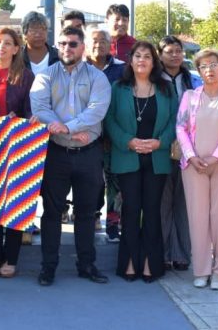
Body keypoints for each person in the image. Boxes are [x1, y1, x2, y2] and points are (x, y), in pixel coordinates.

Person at [30, 26, 111, 286]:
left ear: (82, 47)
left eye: (73, 44)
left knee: (86, 213)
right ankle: (48, 267)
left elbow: (97, 110)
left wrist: (68, 127)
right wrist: (66, 130)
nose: (67, 48)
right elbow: (40, 108)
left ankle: (86, 265)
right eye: (63, 43)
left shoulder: (98, 77)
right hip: (56, 153)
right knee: (51, 212)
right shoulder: (45, 76)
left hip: (89, 154)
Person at [105, 40, 177, 283]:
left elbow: (175, 120)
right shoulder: (119, 88)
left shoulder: (166, 88)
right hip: (128, 156)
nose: (142, 60)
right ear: (131, 60)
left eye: (147, 56)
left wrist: (160, 142)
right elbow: (109, 120)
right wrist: (128, 141)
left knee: (153, 210)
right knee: (131, 209)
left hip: (157, 157)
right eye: (137, 56)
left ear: (154, 62)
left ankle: (149, 263)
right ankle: (129, 262)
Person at [176, 48, 218, 290]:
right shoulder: (190, 96)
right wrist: (191, 156)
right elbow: (180, 127)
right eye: (203, 66)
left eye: (213, 64)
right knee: (198, 218)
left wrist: (216, 157)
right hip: (194, 166)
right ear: (199, 71)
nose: (209, 70)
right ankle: (201, 270)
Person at [0, 27, 34, 278]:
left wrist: (18, 120)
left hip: (17, 146)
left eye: (8, 42)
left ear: (16, 49)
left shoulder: (26, 77)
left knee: (15, 202)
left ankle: (11, 258)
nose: (2, 46)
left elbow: (32, 111)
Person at [158, 36, 199, 271]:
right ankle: (163, 252)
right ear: (160, 55)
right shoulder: (154, 79)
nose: (175, 55)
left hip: (189, 149)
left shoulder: (192, 80)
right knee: (163, 202)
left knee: (184, 203)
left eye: (178, 51)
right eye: (169, 51)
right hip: (161, 148)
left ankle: (182, 253)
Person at [86, 26, 125, 242]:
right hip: (85, 134)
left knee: (114, 182)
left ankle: (112, 224)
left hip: (114, 134)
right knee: (90, 181)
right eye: (94, 40)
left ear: (110, 44)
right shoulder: (79, 67)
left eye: (103, 40)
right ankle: (89, 217)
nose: (98, 44)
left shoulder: (121, 69)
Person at [20, 11, 58, 77]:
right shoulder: (17, 58)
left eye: (42, 29)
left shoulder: (58, 56)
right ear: (25, 33)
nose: (38, 35)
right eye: (33, 30)